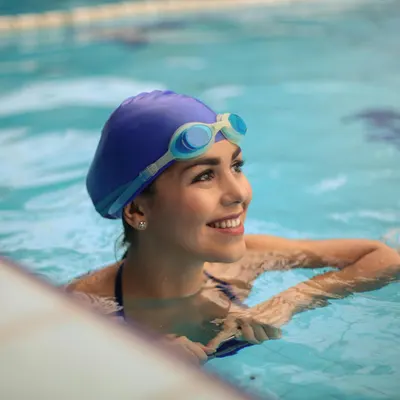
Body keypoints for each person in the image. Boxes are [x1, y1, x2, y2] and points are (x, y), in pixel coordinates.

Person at [65, 90, 400, 365]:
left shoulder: (246, 262)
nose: (239, 193)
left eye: (236, 166)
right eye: (205, 176)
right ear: (137, 209)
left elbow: (382, 257)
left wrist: (291, 300)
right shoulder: (83, 308)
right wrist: (137, 362)